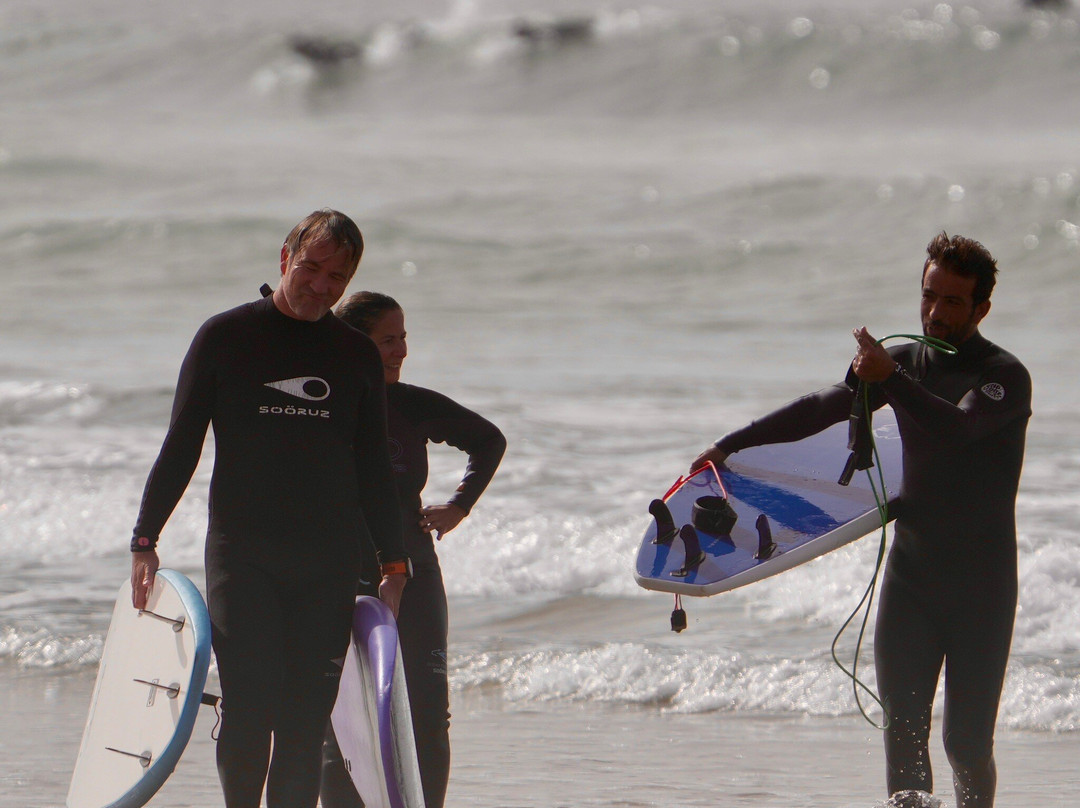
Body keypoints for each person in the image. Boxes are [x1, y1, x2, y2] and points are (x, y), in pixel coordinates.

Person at [691, 233, 1030, 808]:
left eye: (952, 301)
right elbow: (824, 408)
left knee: (966, 746)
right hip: (911, 581)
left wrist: (889, 381)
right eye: (929, 296)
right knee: (904, 738)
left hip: (981, 588)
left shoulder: (1002, 377)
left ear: (981, 309)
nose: (934, 312)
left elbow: (958, 429)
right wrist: (729, 445)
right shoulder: (899, 363)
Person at [128, 210, 410, 808]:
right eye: (311, 267)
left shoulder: (354, 355)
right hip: (242, 554)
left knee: (305, 725)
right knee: (249, 711)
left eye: (338, 276)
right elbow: (182, 442)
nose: (322, 286)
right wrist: (145, 539)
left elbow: (373, 470)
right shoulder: (226, 338)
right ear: (285, 259)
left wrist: (395, 562)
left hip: (327, 560)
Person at [320, 291, 507, 808]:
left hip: (416, 571)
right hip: (340, 575)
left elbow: (489, 439)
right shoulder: (323, 404)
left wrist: (459, 506)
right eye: (387, 340)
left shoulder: (412, 405)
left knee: (427, 711)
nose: (401, 350)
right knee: (341, 715)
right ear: (356, 344)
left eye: (403, 337)